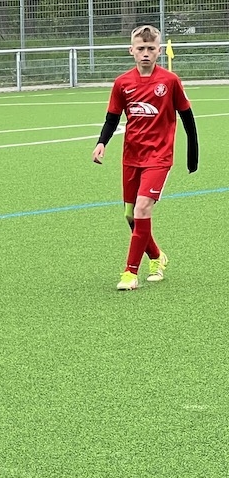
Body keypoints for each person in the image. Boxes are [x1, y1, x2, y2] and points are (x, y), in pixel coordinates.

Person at [92, 24, 198, 291]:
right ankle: (157, 256)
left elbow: (187, 117)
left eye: (151, 48)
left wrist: (192, 155)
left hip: (159, 157)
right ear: (132, 50)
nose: (146, 53)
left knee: (141, 209)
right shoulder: (122, 83)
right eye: (141, 48)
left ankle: (130, 273)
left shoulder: (170, 81)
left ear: (159, 51)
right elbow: (112, 118)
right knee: (131, 216)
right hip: (131, 157)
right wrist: (101, 143)